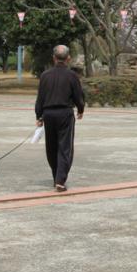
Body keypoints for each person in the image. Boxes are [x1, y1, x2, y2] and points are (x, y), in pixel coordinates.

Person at [35, 45, 85, 192]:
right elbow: (78, 95)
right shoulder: (72, 76)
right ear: (68, 58)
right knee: (65, 147)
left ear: (54, 58)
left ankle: (56, 176)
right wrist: (80, 109)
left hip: (48, 114)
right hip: (65, 113)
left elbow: (40, 98)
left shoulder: (45, 75)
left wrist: (39, 116)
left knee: (51, 147)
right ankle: (60, 180)